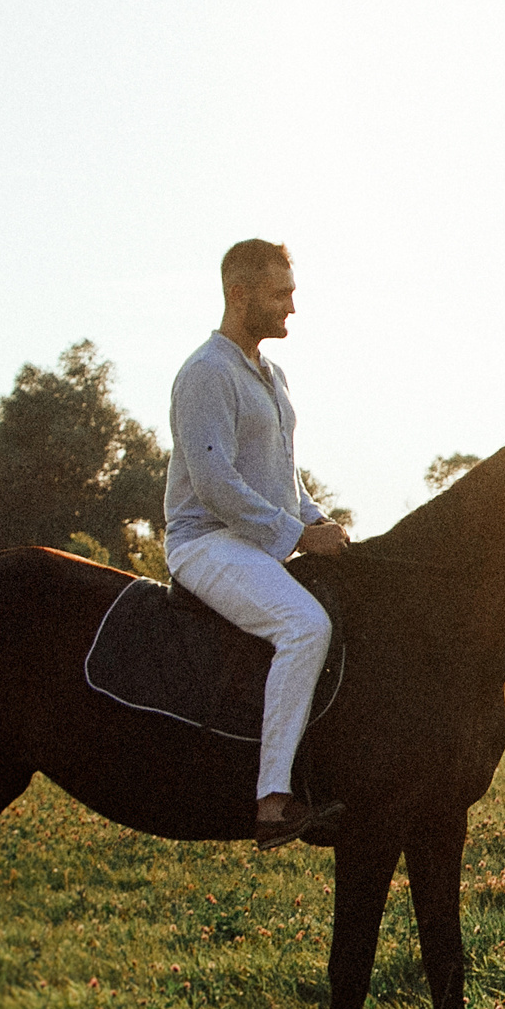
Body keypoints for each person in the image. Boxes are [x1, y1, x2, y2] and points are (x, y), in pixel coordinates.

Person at [162, 239, 351, 850]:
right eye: (281, 294)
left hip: (259, 542)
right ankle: (272, 800)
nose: (292, 306)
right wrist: (298, 536)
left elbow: (283, 476)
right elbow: (216, 484)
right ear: (238, 294)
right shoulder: (205, 374)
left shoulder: (273, 374)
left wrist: (322, 522)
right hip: (207, 542)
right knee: (305, 626)